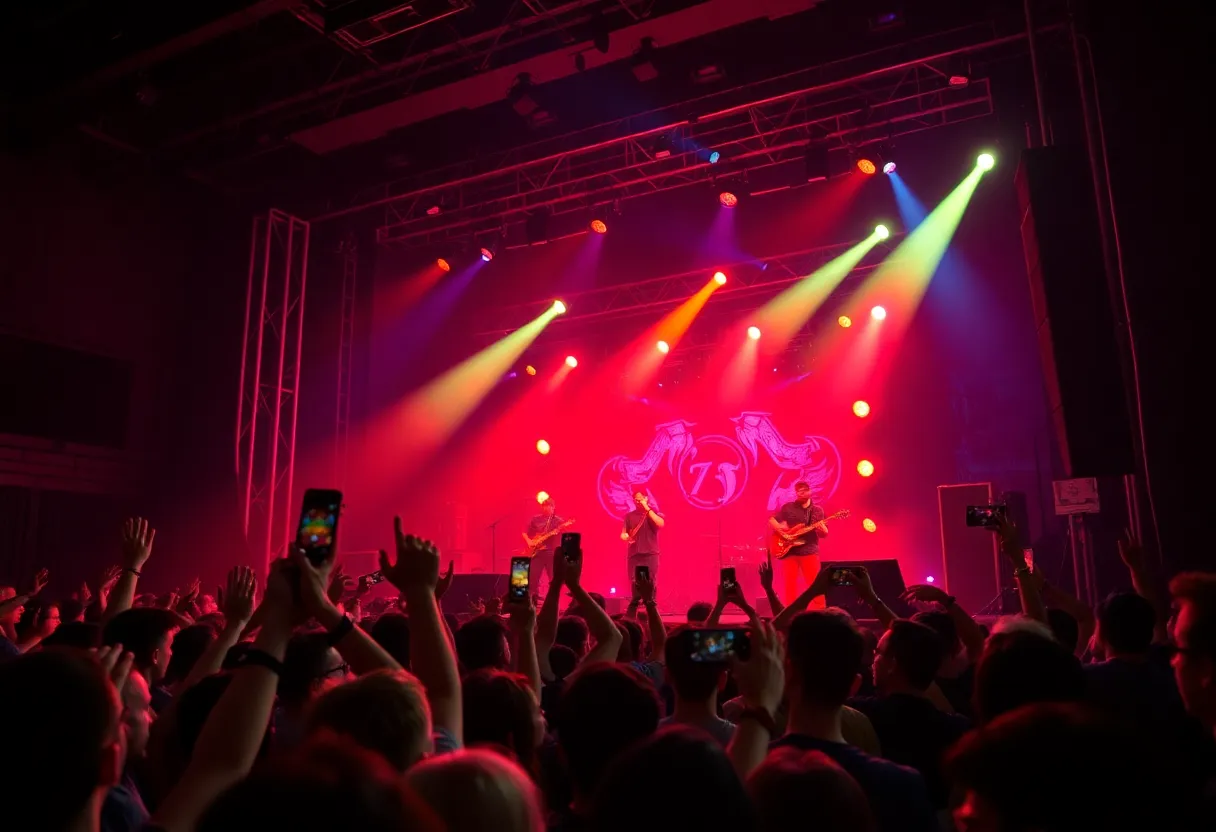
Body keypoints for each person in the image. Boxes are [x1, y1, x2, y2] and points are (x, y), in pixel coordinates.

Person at [769, 481, 829, 605]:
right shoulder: (788, 507)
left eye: (803, 490)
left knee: (815, 583)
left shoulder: (817, 510)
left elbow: (823, 534)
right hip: (790, 551)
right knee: (789, 585)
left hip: (809, 551)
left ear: (809, 491)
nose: (800, 493)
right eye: (798, 491)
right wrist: (782, 532)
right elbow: (772, 520)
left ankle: (820, 610)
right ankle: (790, 611)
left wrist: (824, 531)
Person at [620, 489, 665, 586]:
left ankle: (650, 596)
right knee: (634, 581)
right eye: (636, 500)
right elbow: (623, 533)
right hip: (634, 554)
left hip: (650, 554)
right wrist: (625, 536)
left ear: (646, 498)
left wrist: (646, 508)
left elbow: (660, 524)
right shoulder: (629, 516)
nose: (638, 502)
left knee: (651, 581)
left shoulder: (654, 513)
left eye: (640, 499)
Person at [522, 498, 565, 594]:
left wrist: (558, 532)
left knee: (554, 579)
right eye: (544, 506)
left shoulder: (558, 521)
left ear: (553, 507)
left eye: (548, 506)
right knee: (532, 578)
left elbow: (564, 535)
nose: (546, 508)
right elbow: (524, 532)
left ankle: (553, 598)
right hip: (537, 552)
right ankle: (532, 599)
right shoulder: (535, 519)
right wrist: (529, 541)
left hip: (551, 552)